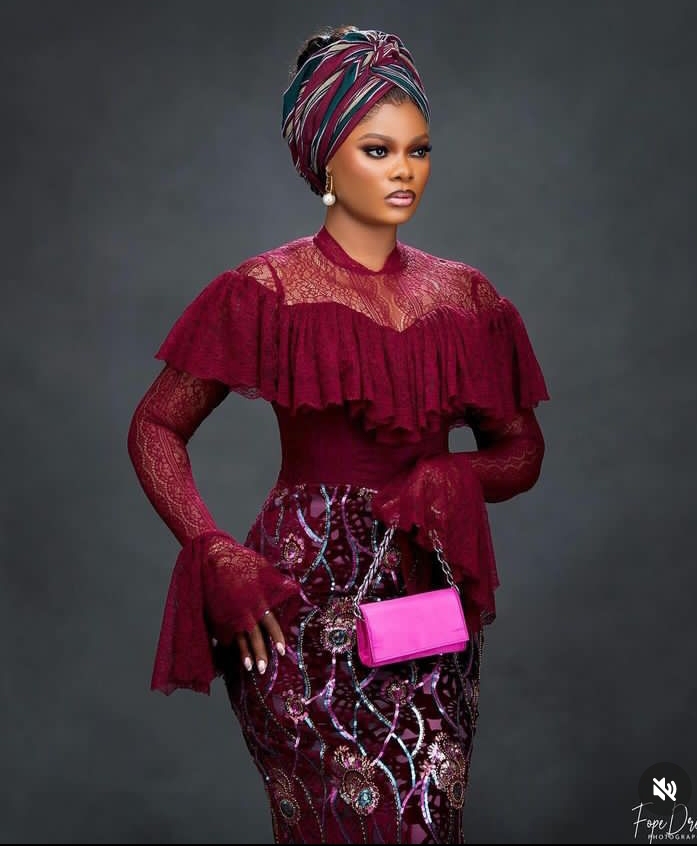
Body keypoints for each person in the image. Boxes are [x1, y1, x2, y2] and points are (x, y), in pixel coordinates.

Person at [127, 25, 549, 845]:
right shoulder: (265, 289)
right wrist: (213, 549)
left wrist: (455, 477)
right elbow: (155, 426)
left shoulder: (466, 296)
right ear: (325, 160)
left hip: (424, 604)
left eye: (417, 150)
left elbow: (521, 450)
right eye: (377, 150)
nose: (403, 170)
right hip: (295, 602)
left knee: (426, 822)